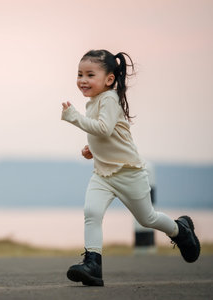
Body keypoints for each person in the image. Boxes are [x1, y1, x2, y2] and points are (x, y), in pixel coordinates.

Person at [60, 49, 200, 287]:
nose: (83, 80)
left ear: (109, 79)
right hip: (103, 174)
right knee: (91, 213)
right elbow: (106, 135)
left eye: (90, 74)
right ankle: (93, 264)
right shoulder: (94, 101)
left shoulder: (110, 100)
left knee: (148, 218)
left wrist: (73, 117)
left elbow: (103, 129)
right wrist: (92, 149)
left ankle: (181, 230)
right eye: (79, 74)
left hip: (129, 173)